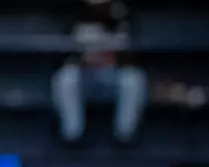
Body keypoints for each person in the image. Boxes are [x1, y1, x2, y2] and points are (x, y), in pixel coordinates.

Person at [52, 0, 146, 148]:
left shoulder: (124, 18)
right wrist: (81, 59)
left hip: (112, 76)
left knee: (133, 79)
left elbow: (133, 57)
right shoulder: (75, 19)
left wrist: (115, 56)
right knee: (66, 78)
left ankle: (124, 135)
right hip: (85, 77)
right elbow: (65, 58)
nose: (100, 8)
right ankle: (72, 134)